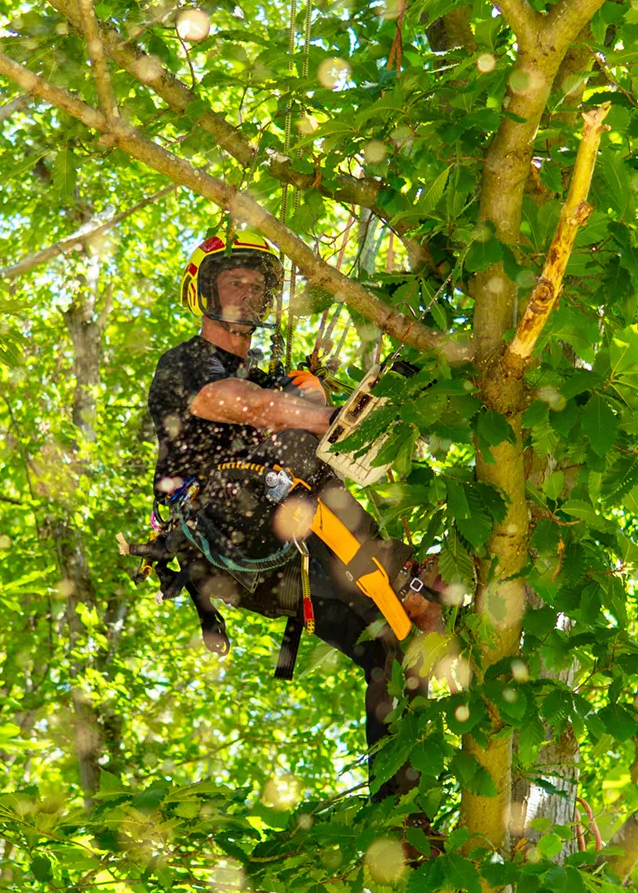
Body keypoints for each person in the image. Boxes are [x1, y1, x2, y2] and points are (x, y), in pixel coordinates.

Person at [133, 231, 439, 801]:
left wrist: (317, 399)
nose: (248, 294)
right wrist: (316, 417)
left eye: (259, 285)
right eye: (234, 282)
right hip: (226, 521)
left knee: (389, 651)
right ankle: (404, 576)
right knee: (298, 442)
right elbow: (232, 403)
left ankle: (402, 813)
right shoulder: (184, 363)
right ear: (204, 293)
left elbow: (282, 407)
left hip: (288, 563)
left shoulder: (277, 379)